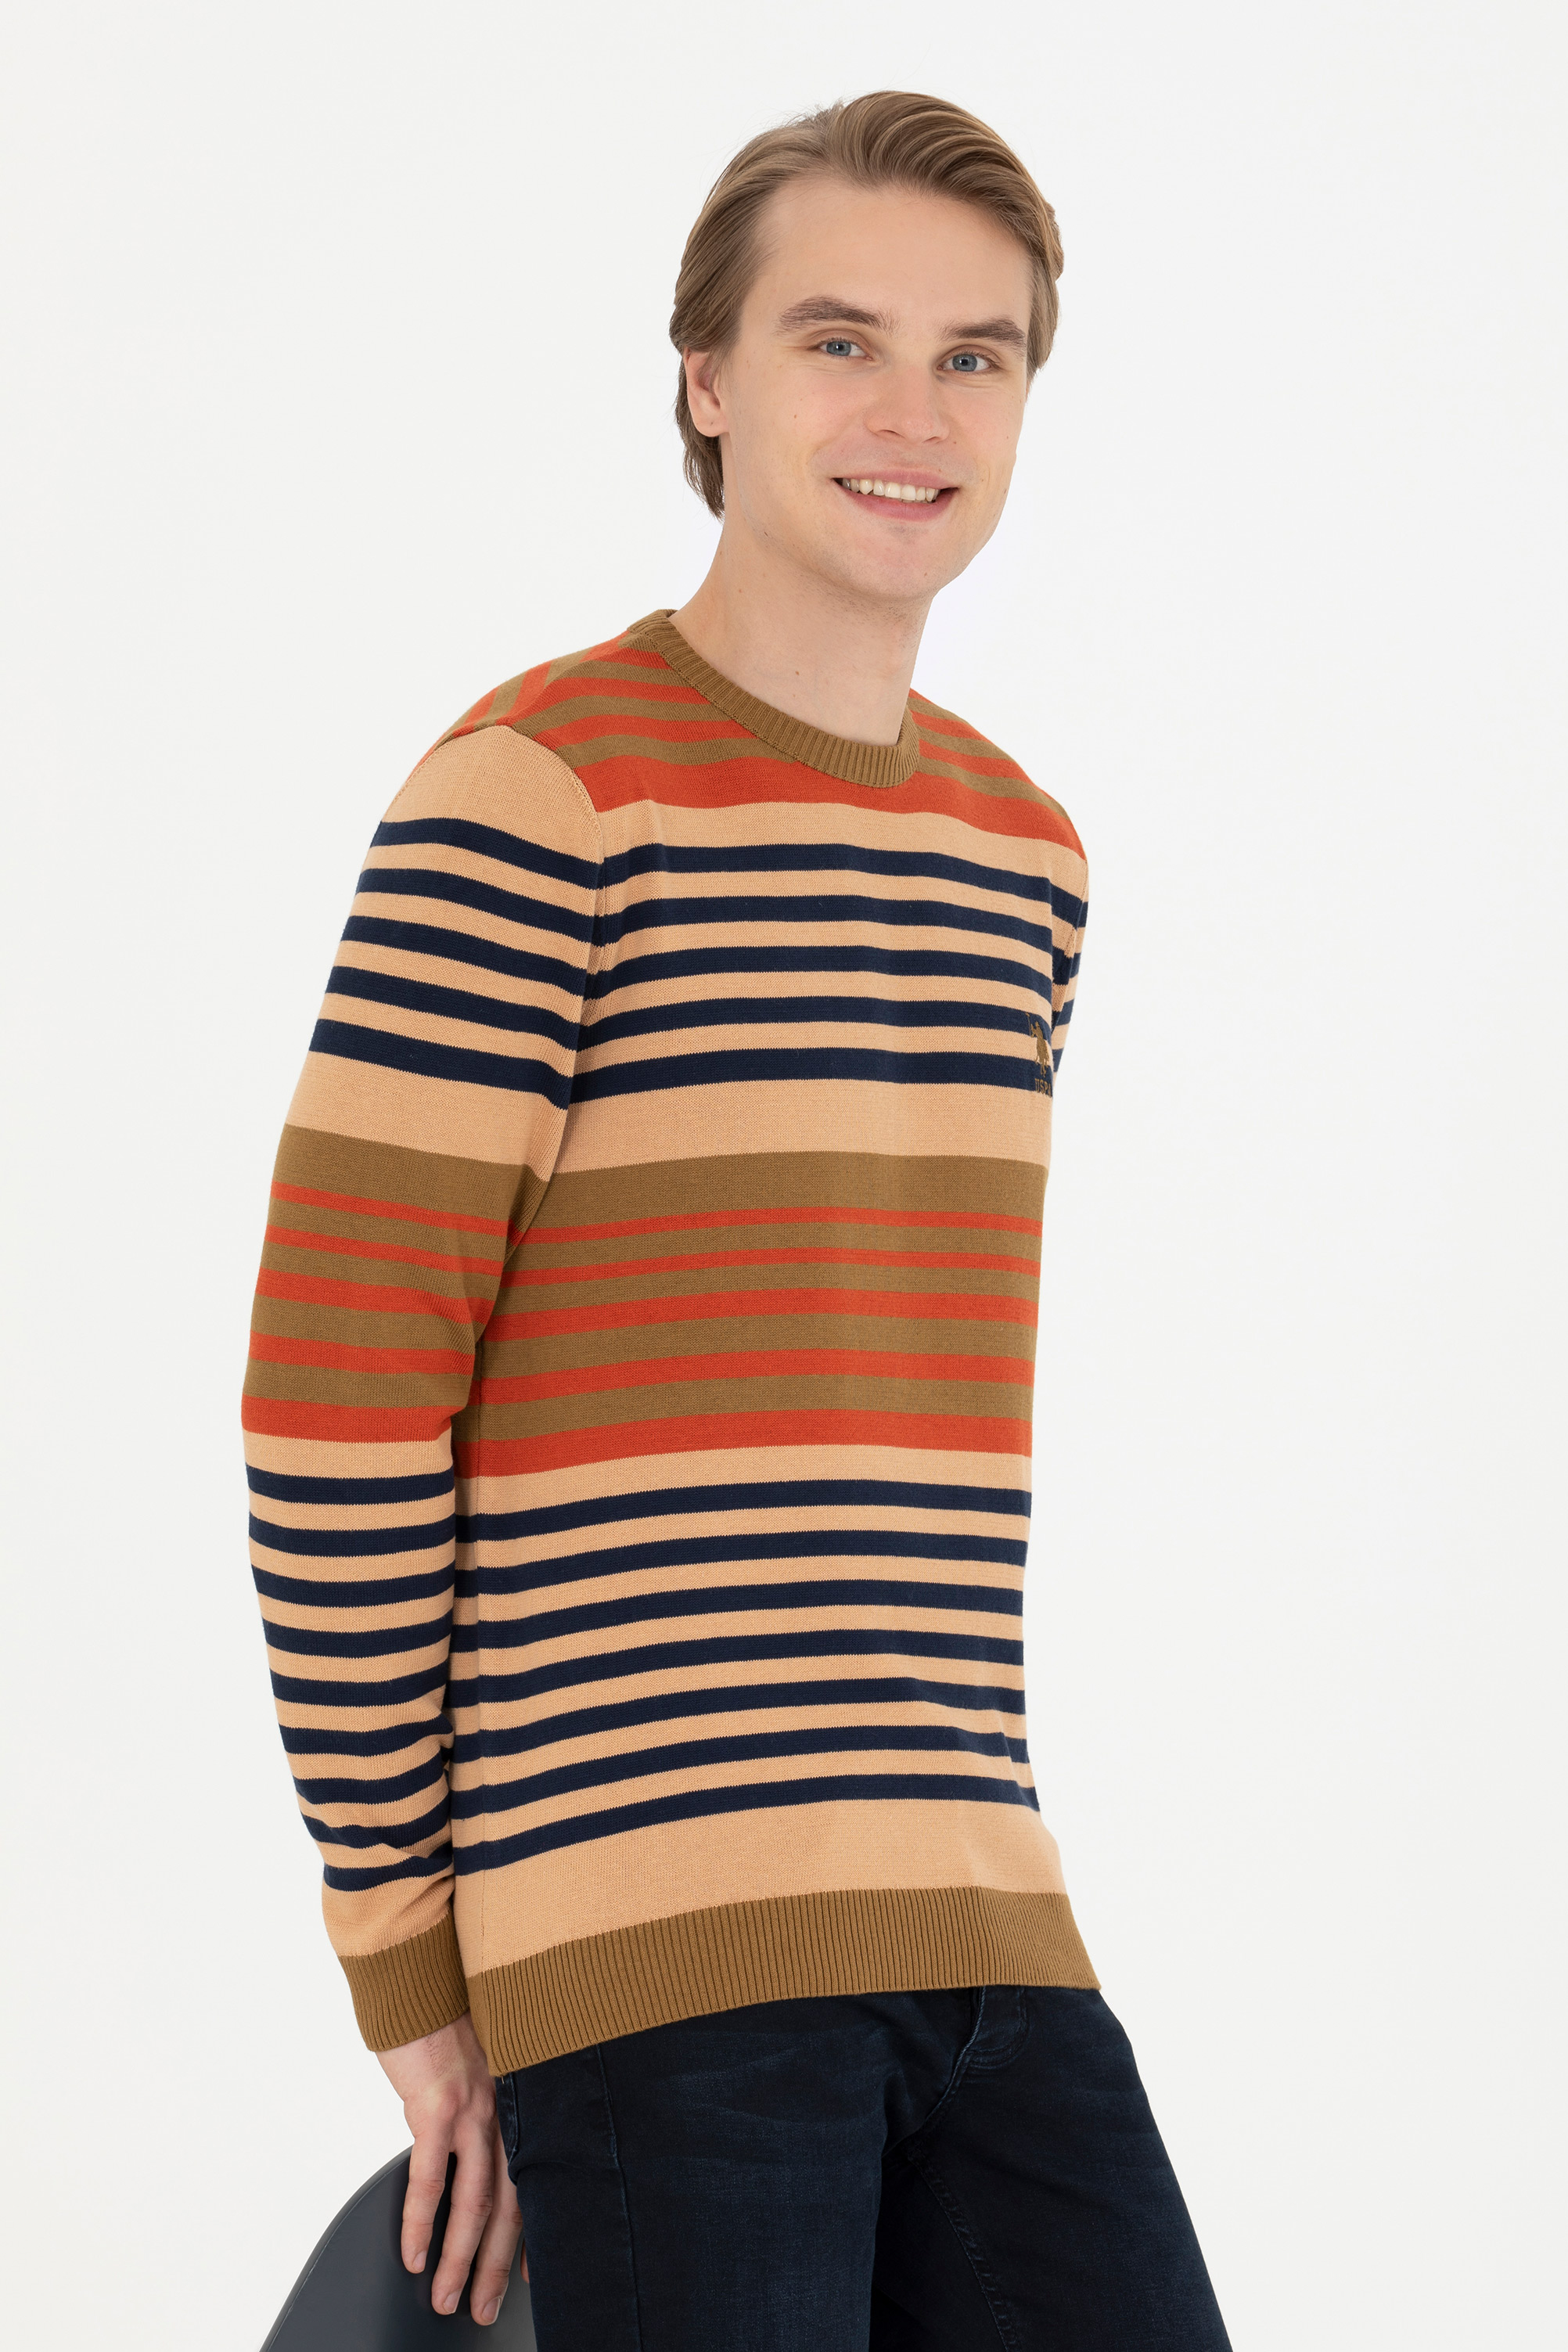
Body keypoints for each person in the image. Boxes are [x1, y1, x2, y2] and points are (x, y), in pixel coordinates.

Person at [243, 88, 1232, 2352]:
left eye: (975, 356)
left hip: (983, 1915)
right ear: (705, 380)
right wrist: (415, 1971)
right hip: (646, 1949)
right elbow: (337, 1406)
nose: (913, 414)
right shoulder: (538, 796)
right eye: (837, 341)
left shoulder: (1024, 857)